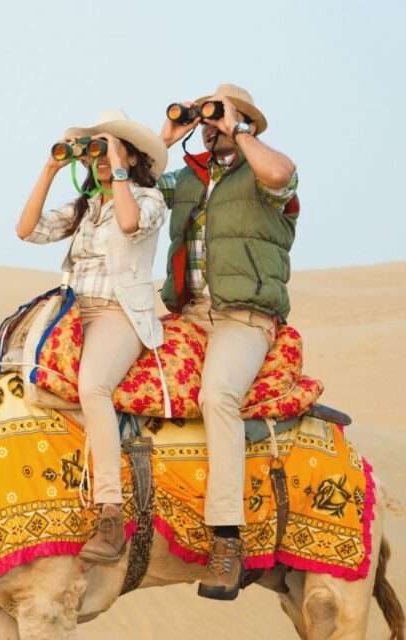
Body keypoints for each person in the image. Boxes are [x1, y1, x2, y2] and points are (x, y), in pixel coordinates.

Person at [158, 84, 299, 600]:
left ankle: (226, 537)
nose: (210, 124)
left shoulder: (265, 177)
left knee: (216, 395)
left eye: (220, 116)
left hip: (245, 317)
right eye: (207, 117)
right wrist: (168, 136)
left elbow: (281, 174)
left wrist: (237, 127)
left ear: (247, 123)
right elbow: (140, 189)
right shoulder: (188, 179)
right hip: (190, 314)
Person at [16, 110, 168, 564]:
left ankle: (110, 511)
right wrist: (51, 168)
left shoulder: (148, 198)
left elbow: (128, 224)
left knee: (92, 387)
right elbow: (27, 230)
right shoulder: (85, 206)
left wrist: (117, 165)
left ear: (132, 156)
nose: (98, 158)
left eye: (108, 147)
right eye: (95, 150)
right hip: (72, 312)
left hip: (119, 312)